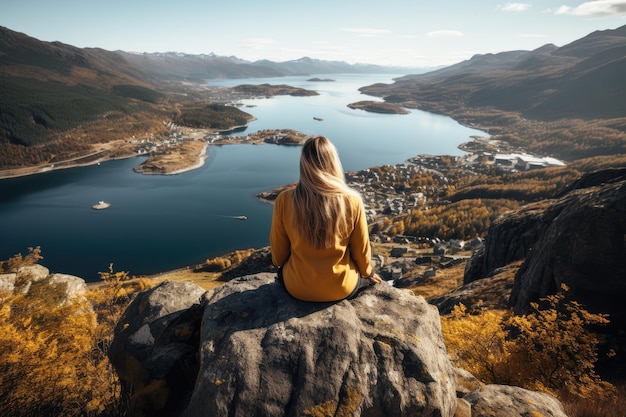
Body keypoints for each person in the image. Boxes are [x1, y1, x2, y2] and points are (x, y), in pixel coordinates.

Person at [270, 136, 382, 302]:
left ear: (304, 165)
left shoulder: (284, 200)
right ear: (333, 163)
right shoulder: (352, 201)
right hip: (341, 288)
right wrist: (369, 273)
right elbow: (361, 252)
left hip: (297, 288)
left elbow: (278, 257)